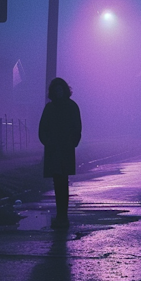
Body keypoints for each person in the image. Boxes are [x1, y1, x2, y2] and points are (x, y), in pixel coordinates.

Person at [38, 78, 82, 229]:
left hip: (65, 149)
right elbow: (42, 129)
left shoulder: (70, 106)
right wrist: (48, 142)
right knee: (59, 182)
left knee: (62, 181)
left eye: (60, 89)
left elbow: (77, 127)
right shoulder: (50, 108)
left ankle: (62, 215)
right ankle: (61, 215)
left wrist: (72, 143)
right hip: (55, 150)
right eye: (56, 90)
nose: (58, 92)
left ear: (64, 90)